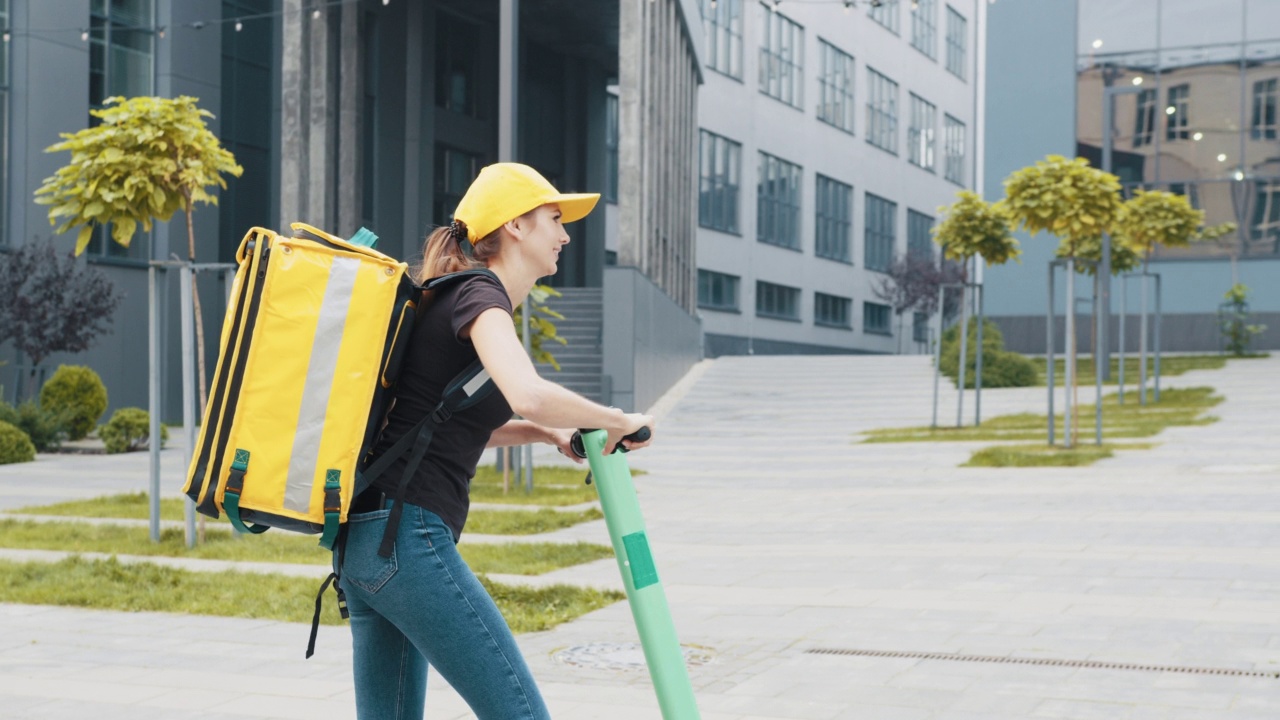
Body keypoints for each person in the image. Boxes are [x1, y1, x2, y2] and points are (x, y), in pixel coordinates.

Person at [338, 162, 654, 720]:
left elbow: (441, 426)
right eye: (554, 219)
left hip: (366, 543)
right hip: (405, 539)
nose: (565, 234)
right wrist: (615, 417)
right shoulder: (479, 294)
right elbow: (528, 392)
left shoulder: (455, 294)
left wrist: (543, 432)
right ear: (514, 226)